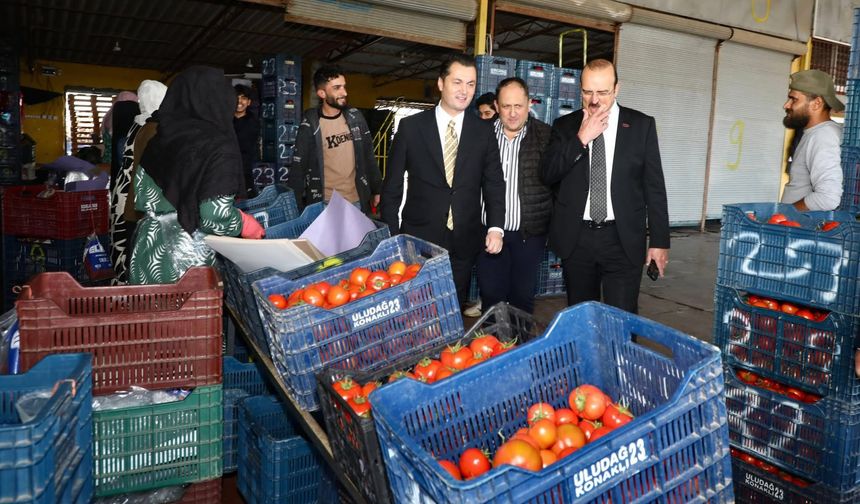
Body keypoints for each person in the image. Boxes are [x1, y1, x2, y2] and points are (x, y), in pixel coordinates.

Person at [542, 58, 669, 314]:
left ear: (617, 89)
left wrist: (659, 241)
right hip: (577, 239)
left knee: (621, 318)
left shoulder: (641, 126)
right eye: (588, 92)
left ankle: (620, 356)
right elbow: (547, 174)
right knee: (581, 316)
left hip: (622, 239)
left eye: (602, 92)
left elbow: (654, 187)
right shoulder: (565, 126)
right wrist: (581, 139)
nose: (595, 100)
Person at [380, 54, 507, 308]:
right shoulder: (411, 127)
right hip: (418, 237)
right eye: (457, 82)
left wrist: (495, 227)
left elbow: (494, 182)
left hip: (464, 238)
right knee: (416, 305)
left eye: (471, 84)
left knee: (452, 306)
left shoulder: (483, 131)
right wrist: (391, 234)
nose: (464, 91)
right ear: (441, 83)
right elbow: (392, 185)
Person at [128, 65, 264, 285]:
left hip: (148, 249)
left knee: (150, 316)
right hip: (186, 256)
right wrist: (243, 223)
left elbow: (141, 192)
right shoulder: (218, 145)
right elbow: (214, 216)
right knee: (189, 318)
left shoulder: (161, 137)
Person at [473, 78, 552, 314]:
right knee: (491, 297)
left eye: (519, 106)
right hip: (487, 233)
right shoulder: (481, 135)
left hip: (529, 235)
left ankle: (519, 348)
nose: (513, 113)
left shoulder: (545, 137)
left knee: (522, 298)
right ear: (496, 106)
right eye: (507, 106)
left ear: (529, 104)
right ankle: (491, 350)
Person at [289, 64, 381, 215]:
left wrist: (377, 189)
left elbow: (368, 155)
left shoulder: (355, 117)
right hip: (324, 205)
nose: (344, 92)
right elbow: (298, 168)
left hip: (355, 201)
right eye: (337, 88)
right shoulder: (310, 124)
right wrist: (294, 206)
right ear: (322, 93)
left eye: (344, 86)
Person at [110, 80, 167, 285]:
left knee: (128, 246)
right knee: (141, 253)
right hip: (143, 202)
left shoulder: (137, 124)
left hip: (126, 196)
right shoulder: (155, 129)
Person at [780, 69, 844, 211]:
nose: (786, 105)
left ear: (816, 103)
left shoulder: (822, 136)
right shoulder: (815, 133)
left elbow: (828, 198)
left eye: (794, 99)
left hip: (801, 229)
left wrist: (786, 214)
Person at [233, 84, 260, 198]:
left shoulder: (253, 122)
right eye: (236, 98)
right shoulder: (224, 120)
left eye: (243, 98)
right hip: (225, 170)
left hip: (245, 171)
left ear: (249, 102)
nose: (239, 101)